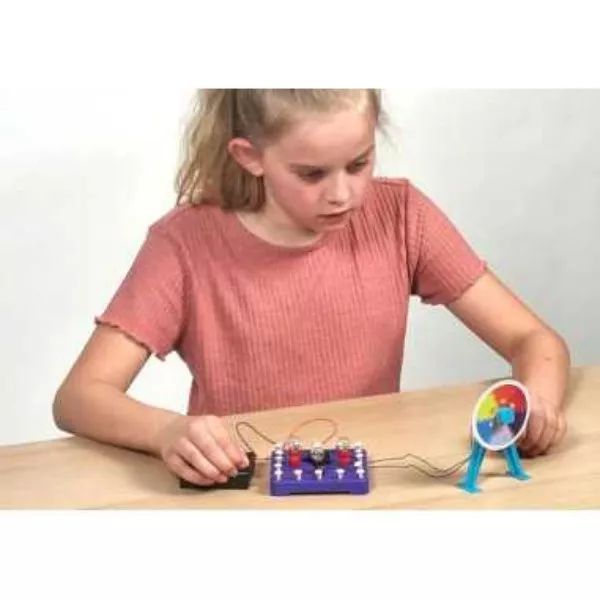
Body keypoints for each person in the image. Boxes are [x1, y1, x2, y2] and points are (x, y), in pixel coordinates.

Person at [53, 89, 570, 487]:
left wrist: (536, 408)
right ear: (249, 156)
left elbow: (533, 340)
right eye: (311, 174)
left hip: (372, 490)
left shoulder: (401, 216)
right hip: (245, 500)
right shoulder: (183, 246)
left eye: (359, 163)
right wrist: (165, 432)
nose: (342, 194)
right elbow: (79, 397)